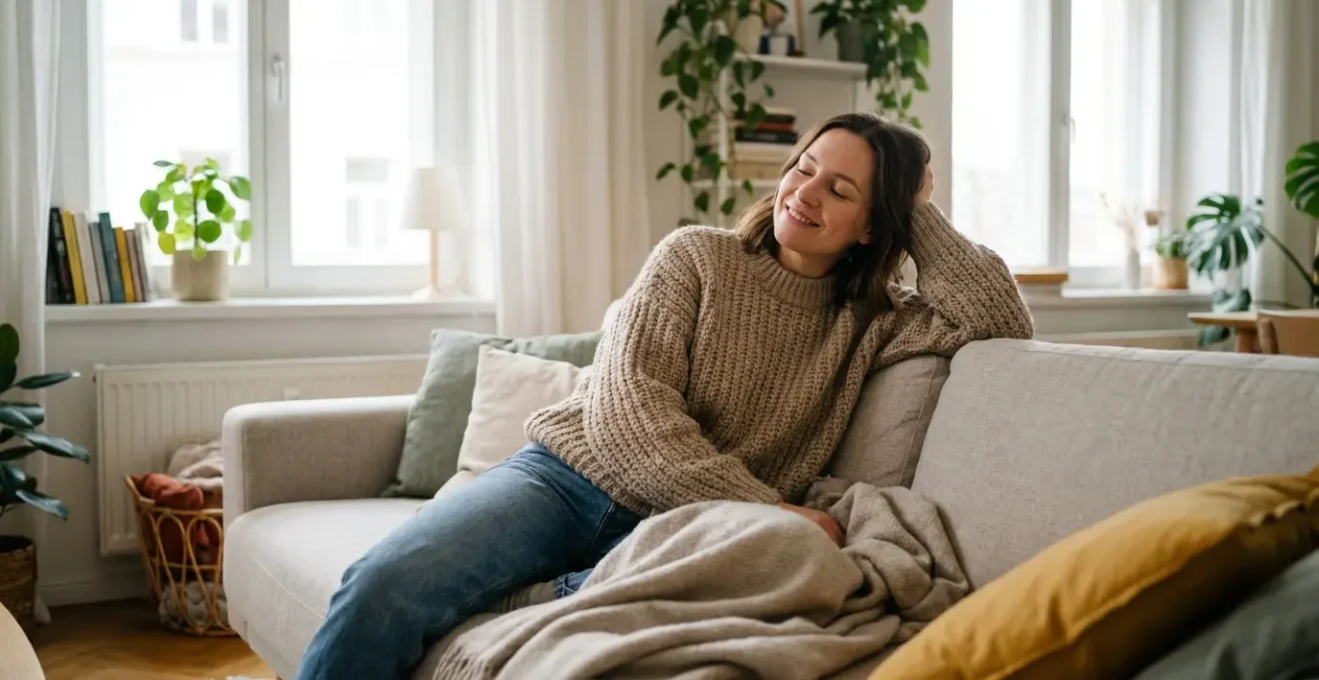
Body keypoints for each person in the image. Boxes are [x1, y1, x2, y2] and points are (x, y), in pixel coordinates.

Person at [293, 112, 1034, 679]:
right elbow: (628, 412)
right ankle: (558, 590)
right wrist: (765, 506)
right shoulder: (696, 256)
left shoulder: (876, 323)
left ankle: (550, 596)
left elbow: (999, 317)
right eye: (803, 169)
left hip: (694, 535)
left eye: (839, 190)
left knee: (790, 557)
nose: (803, 194)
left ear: (875, 226)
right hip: (566, 481)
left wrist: (918, 208)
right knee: (380, 585)